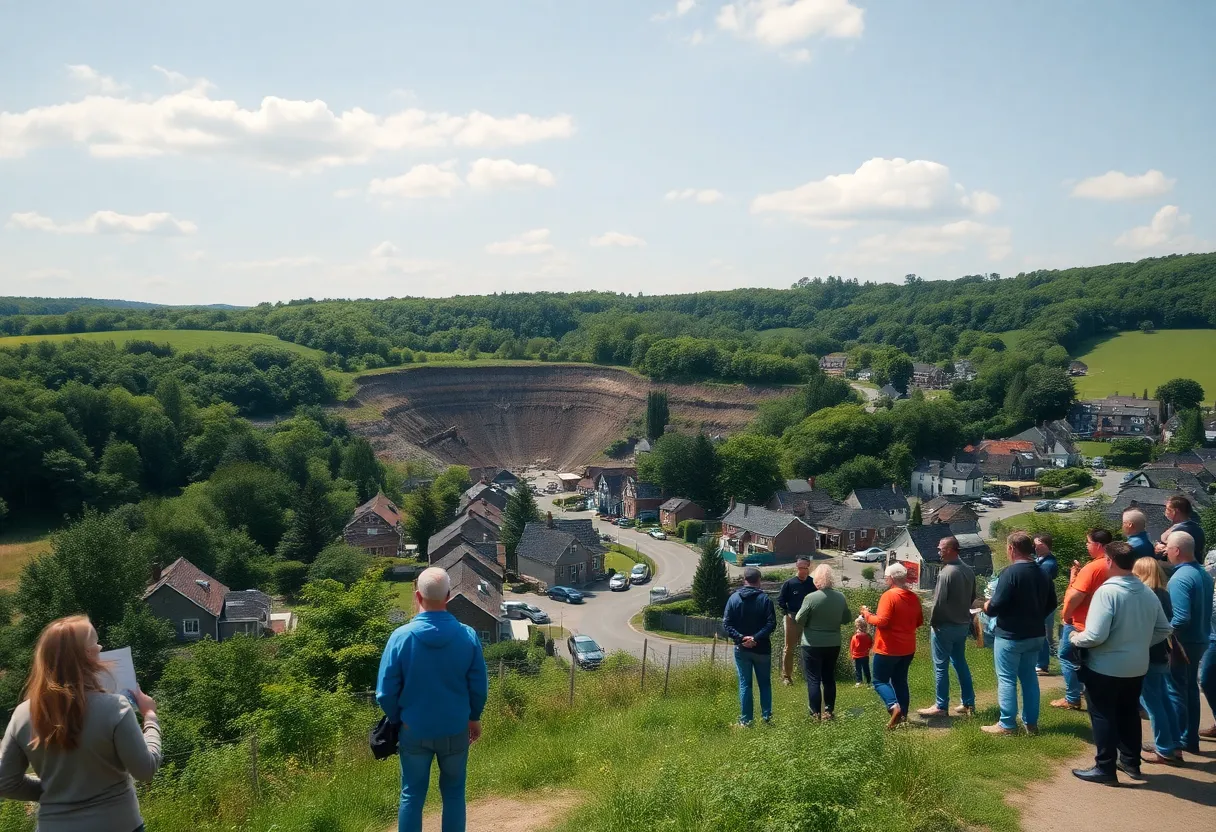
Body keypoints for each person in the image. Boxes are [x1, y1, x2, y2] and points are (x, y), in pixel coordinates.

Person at [0, 615, 162, 832]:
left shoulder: (22, 714)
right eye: (96, 642)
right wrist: (150, 716)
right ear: (86, 655)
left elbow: (5, 782)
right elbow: (146, 770)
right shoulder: (115, 708)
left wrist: (55, 792)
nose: (101, 647)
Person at [376, 567, 489, 832]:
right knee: (453, 794)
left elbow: (385, 692)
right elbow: (479, 687)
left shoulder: (400, 638)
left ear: (417, 596)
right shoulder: (468, 636)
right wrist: (474, 717)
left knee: (412, 796)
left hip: (413, 729)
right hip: (455, 728)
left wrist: (397, 720)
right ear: (449, 596)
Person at [1068, 542, 1172, 784]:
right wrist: (1140, 643)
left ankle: (1104, 767)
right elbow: (1164, 628)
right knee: (1129, 713)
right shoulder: (1146, 591)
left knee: (1102, 714)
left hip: (1106, 666)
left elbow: (1095, 636)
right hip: (1137, 665)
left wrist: (1075, 638)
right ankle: (1131, 762)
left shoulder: (1107, 592)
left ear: (1110, 562)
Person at [983, 531, 1057, 736]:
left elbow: (995, 606)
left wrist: (986, 605)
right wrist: (1036, 615)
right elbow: (1052, 603)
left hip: (1011, 635)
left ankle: (1007, 724)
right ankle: (1030, 724)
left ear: (1012, 549)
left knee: (1007, 678)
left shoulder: (1010, 573)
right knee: (1029, 679)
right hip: (1035, 634)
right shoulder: (1042, 572)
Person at [1051, 529, 1114, 711]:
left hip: (1080, 623)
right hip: (1104, 622)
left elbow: (1075, 596)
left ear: (1098, 545)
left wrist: (1066, 615)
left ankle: (1072, 697)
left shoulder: (1092, 568)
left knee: (1066, 656)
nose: (1086, 546)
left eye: (1088, 542)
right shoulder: (1113, 565)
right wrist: (1074, 577)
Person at [1163, 531, 1214, 754]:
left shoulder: (1180, 578)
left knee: (1176, 690)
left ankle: (1176, 742)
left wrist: (1163, 634)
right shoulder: (1203, 574)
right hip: (1201, 639)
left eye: (1168, 549)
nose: (1165, 552)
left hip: (1182, 643)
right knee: (1190, 688)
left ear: (1176, 550)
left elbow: (1181, 617)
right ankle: (1189, 739)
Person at [918, 536, 977, 718]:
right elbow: (972, 599)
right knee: (960, 663)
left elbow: (938, 603)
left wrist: (933, 623)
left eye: (941, 549)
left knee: (941, 666)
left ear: (951, 550)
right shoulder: (969, 571)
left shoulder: (946, 573)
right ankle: (968, 703)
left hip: (945, 626)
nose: (938, 552)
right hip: (962, 624)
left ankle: (941, 706)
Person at [860, 562, 923, 729]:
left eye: (886, 577)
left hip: (888, 647)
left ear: (891, 578)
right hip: (908, 648)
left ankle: (893, 706)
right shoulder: (913, 597)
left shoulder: (889, 596)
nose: (885, 579)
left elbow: (882, 622)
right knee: (900, 681)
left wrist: (866, 614)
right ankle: (903, 717)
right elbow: (919, 621)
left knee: (879, 681)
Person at [1133, 556, 1182, 765]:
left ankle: (1164, 749)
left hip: (1148, 654)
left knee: (1152, 703)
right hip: (1162, 652)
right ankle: (1174, 744)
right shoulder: (1163, 593)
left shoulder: (1145, 596)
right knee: (1164, 699)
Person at [794, 564, 852, 719]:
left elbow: (799, 618)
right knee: (829, 677)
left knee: (813, 679)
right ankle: (829, 710)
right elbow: (847, 619)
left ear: (816, 580)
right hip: (833, 642)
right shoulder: (840, 597)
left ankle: (815, 712)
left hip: (812, 643)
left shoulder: (811, 598)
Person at [723, 565, 777, 726]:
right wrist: (756, 637)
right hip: (762, 649)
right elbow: (771, 624)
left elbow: (726, 624)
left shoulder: (733, 599)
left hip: (741, 649)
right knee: (765, 684)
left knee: (745, 683)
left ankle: (746, 720)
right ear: (759, 581)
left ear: (744, 580)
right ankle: (766, 718)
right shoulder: (765, 599)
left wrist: (741, 638)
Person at [776, 555, 816, 686]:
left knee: (811, 647)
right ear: (796, 567)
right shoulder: (789, 584)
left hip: (808, 619)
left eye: (804, 567)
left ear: (808, 567)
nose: (802, 570)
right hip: (792, 618)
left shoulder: (813, 584)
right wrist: (786, 612)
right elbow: (780, 600)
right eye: (800, 567)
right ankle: (787, 677)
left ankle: (811, 675)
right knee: (789, 648)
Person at [1035, 533, 1060, 675]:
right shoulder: (1039, 559)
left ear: (1047, 545)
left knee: (1042, 633)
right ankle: (1041, 661)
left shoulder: (1049, 563)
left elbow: (1038, 580)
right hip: (1041, 602)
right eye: (1035, 544)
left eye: (1040, 544)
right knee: (1042, 633)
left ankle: (1042, 664)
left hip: (1044, 604)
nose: (1036, 547)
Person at [1154, 495, 1206, 561]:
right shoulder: (1194, 527)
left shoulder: (1182, 531)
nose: (1166, 512)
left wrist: (1160, 549)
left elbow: (1171, 553)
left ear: (1176, 511)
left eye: (1167, 509)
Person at [850, 620, 873, 687]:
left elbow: (852, 647)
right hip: (865, 655)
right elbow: (870, 644)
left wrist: (852, 655)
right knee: (866, 668)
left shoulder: (855, 637)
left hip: (857, 656)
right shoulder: (868, 636)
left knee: (858, 669)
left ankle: (859, 681)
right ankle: (868, 681)